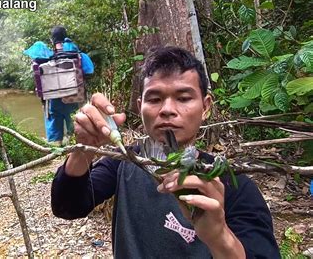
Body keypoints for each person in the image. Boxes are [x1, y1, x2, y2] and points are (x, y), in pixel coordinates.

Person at [51, 46, 280, 258]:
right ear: (140, 107)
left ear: (206, 106)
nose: (167, 110)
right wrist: (84, 148)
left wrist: (220, 237)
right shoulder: (124, 164)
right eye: (154, 99)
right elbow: (67, 206)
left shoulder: (233, 184)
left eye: (183, 98)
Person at [43, 26, 93, 146]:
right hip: (74, 96)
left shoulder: (47, 56)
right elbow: (89, 71)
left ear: (52, 40)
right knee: (74, 120)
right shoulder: (77, 54)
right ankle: (75, 145)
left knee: (54, 121)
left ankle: (55, 148)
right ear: (65, 37)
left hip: (54, 98)